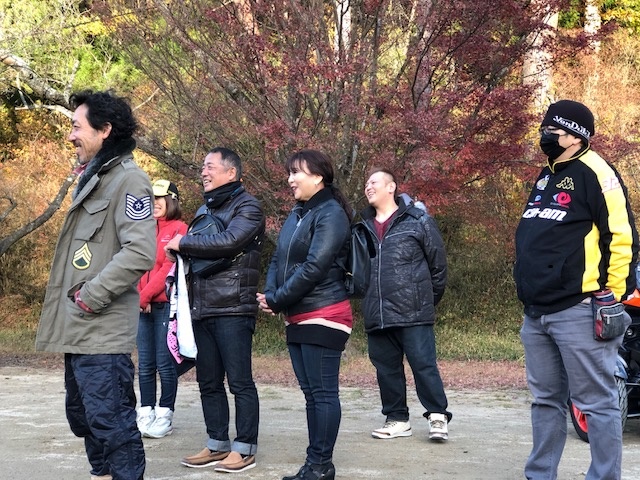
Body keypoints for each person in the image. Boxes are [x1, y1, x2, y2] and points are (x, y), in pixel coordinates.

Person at [514, 100, 639, 480]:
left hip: (580, 309)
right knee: (545, 401)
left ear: (574, 136)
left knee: (597, 402)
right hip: (537, 311)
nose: (544, 136)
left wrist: (612, 297)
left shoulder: (597, 172)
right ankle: (540, 475)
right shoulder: (546, 175)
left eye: (551, 130)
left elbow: (621, 236)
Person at [35, 90, 156, 480]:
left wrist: (90, 296)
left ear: (104, 129)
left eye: (77, 126)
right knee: (84, 417)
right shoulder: (94, 178)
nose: (71, 135)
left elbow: (140, 253)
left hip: (101, 328)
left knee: (111, 422)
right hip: (79, 328)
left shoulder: (129, 180)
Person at [165, 147, 264, 473]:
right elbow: (199, 250)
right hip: (201, 308)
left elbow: (230, 241)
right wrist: (180, 254)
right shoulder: (204, 208)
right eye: (203, 167)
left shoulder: (248, 207)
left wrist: (183, 243)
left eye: (210, 166)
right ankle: (217, 443)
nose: (203, 172)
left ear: (231, 172)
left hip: (234, 308)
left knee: (240, 382)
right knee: (208, 381)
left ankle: (245, 449)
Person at [257, 149, 353, 480]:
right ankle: (315, 465)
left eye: (296, 172)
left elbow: (314, 267)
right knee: (312, 394)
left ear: (318, 176)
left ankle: (321, 465)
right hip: (297, 313)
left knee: (323, 394)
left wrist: (278, 299)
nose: (290, 179)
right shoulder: (298, 213)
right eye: (289, 172)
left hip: (324, 312)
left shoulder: (331, 214)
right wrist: (272, 294)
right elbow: (278, 257)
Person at [359, 168, 451, 441]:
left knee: (423, 365)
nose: (368, 187)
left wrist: (425, 301)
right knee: (386, 369)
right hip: (377, 312)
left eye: (374, 182)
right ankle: (397, 419)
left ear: (391, 187)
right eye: (366, 183)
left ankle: (437, 416)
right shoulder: (361, 227)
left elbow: (438, 267)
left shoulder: (418, 220)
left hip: (414, 312)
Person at [135, 179, 188, 439]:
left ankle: (165, 414)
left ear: (171, 200)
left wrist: (144, 296)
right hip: (142, 305)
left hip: (164, 305)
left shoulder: (180, 229)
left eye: (159, 198)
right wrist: (139, 297)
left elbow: (169, 268)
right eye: (151, 198)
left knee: (164, 363)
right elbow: (135, 264)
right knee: (145, 363)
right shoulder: (144, 228)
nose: (154, 203)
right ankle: (146, 412)